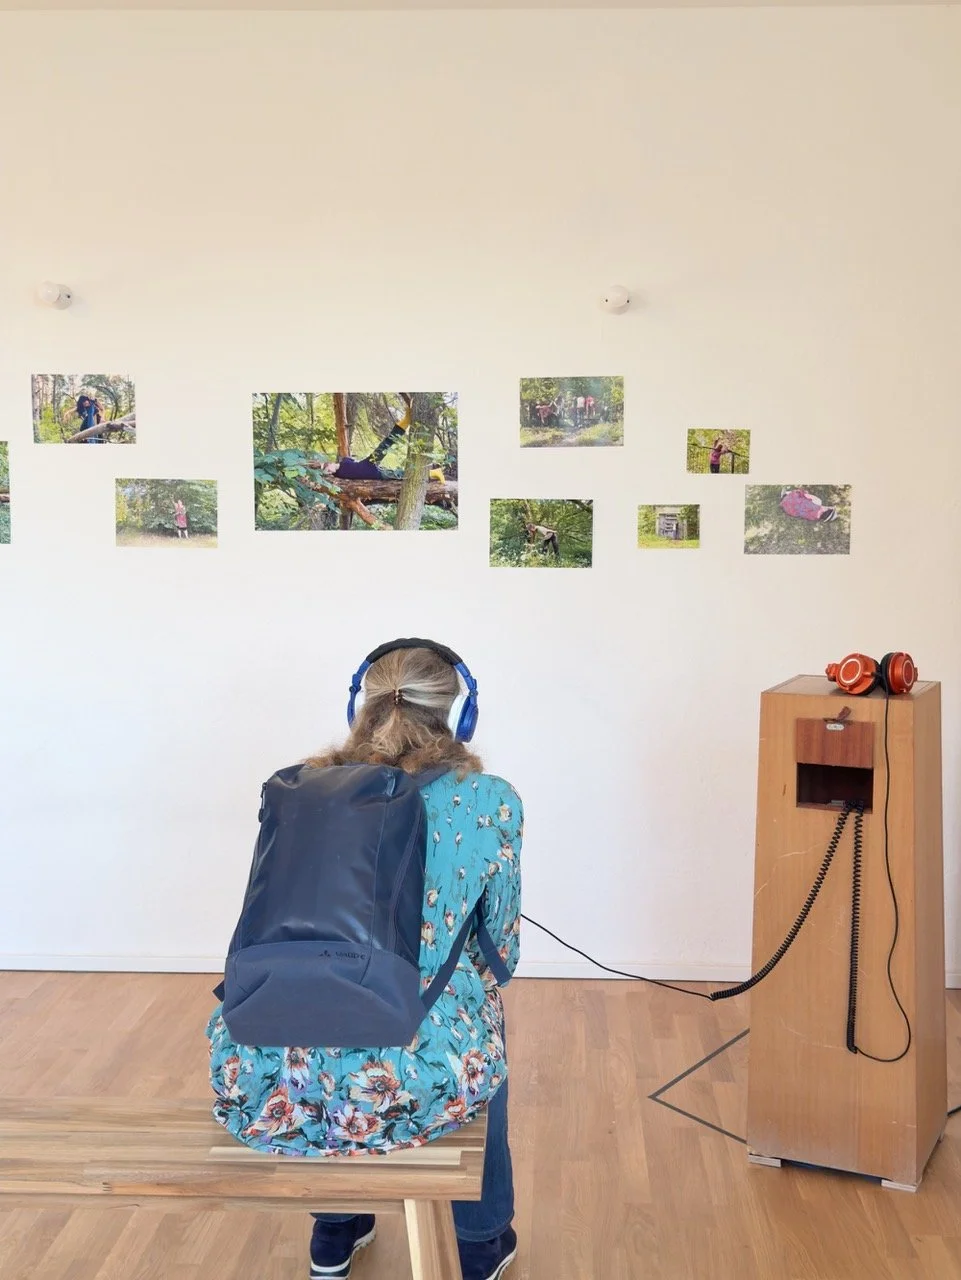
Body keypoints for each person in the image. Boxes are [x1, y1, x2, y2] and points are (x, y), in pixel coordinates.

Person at [206, 642, 523, 1280]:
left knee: (328, 1031)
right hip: (413, 1076)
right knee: (480, 1030)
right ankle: (480, 1244)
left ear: (361, 704)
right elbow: (500, 953)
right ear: (459, 714)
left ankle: (334, 1230)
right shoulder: (488, 799)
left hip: (267, 1068)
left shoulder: (299, 789)